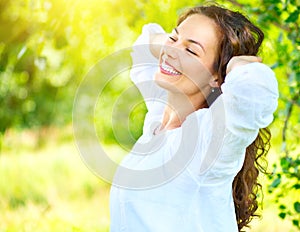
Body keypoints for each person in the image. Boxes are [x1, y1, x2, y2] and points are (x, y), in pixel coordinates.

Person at [109, 4, 278, 232]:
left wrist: (235, 65)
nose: (171, 52)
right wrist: (178, 45)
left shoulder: (206, 142)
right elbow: (143, 44)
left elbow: (254, 94)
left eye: (191, 51)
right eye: (173, 38)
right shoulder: (159, 121)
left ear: (216, 77)